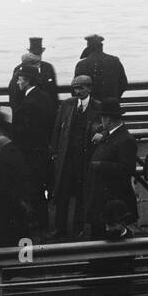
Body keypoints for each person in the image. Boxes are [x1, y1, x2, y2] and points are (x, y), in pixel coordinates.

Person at [49, 74, 101, 239]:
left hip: (85, 160)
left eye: (81, 88)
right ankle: (60, 229)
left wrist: (101, 133)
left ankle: (78, 228)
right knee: (62, 194)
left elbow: (106, 127)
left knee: (81, 194)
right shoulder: (67, 105)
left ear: (89, 88)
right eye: (75, 88)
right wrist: (54, 151)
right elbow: (57, 128)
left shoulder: (98, 107)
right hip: (67, 159)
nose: (77, 91)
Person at [10, 62, 57, 231]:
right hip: (44, 149)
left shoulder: (29, 103)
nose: (18, 83)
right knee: (40, 186)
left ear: (28, 81)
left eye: (20, 79)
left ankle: (39, 222)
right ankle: (43, 220)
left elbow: (24, 131)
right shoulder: (45, 97)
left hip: (30, 152)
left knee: (33, 188)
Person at [85, 98, 138, 238]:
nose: (101, 121)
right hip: (105, 199)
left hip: (113, 201)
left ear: (108, 119)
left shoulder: (125, 140)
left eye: (102, 117)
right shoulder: (111, 136)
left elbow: (127, 169)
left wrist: (101, 165)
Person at [0, 112, 37, 248]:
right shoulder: (2, 150)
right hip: (6, 215)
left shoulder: (7, 154)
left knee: (14, 254)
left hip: (7, 217)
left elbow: (11, 188)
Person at [8, 37, 58, 113]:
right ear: (30, 52)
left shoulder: (48, 67)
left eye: (39, 53)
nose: (38, 56)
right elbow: (14, 93)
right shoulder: (19, 69)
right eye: (35, 53)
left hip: (47, 110)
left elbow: (54, 92)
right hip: (27, 110)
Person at [74, 34, 128, 101]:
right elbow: (124, 84)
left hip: (90, 108)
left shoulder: (82, 64)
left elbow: (76, 88)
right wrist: (115, 97)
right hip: (112, 106)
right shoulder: (115, 61)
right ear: (101, 46)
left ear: (88, 47)